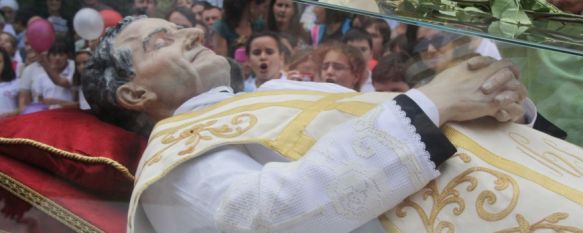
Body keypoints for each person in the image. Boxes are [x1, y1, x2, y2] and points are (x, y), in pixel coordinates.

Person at [82, 16, 528, 233]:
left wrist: (496, 103)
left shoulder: (269, 94)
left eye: (181, 30)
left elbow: (387, 112)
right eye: (162, 41)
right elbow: (267, 215)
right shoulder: (174, 161)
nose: (193, 34)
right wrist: (433, 103)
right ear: (134, 94)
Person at [0, 47, 17, 117]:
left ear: (6, 63)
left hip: (12, 125)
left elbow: (24, 107)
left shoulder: (16, 84)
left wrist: (9, 114)